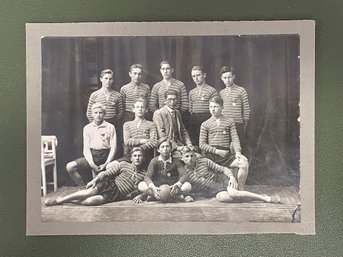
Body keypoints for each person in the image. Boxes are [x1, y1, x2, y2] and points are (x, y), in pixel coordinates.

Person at [45, 147, 147, 206]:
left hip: (117, 195)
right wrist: (95, 180)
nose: (137, 158)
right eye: (135, 156)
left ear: (143, 158)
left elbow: (147, 188)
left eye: (140, 156)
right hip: (109, 184)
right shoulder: (124, 164)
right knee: (88, 193)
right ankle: (57, 201)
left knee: (90, 201)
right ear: (131, 158)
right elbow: (106, 173)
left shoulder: (144, 174)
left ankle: (66, 199)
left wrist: (141, 195)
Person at [199, 96, 248, 190]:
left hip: (225, 155)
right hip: (211, 156)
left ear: (222, 107)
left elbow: (234, 138)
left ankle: (241, 190)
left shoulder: (230, 121)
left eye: (216, 106)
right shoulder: (205, 124)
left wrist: (238, 152)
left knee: (243, 163)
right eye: (211, 107)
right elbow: (202, 144)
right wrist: (216, 151)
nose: (212, 109)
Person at [66, 103, 117, 187]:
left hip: (106, 157)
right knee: (70, 166)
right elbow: (86, 149)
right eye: (96, 112)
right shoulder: (87, 128)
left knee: (102, 183)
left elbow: (113, 147)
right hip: (92, 156)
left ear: (104, 114)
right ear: (92, 114)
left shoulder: (110, 127)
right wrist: (92, 164)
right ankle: (83, 188)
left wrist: (107, 162)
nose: (98, 115)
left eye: (100, 113)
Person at [219, 66, 250, 154]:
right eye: (225, 78)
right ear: (222, 79)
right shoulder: (221, 92)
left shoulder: (241, 90)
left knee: (237, 146)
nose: (227, 80)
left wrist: (245, 121)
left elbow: (246, 108)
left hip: (237, 123)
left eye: (229, 77)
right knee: (226, 146)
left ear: (233, 76)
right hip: (225, 123)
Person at [153, 89, 193, 157]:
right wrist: (177, 147)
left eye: (174, 99)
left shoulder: (177, 113)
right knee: (187, 157)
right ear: (165, 101)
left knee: (196, 156)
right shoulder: (158, 113)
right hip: (167, 147)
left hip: (179, 144)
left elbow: (183, 131)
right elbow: (162, 135)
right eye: (169, 99)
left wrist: (189, 143)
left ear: (177, 100)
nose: (172, 102)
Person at [123, 97, 158, 169]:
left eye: (142, 107)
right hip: (130, 155)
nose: (140, 109)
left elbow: (153, 141)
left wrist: (140, 148)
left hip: (146, 155)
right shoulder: (127, 124)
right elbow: (127, 141)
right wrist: (142, 141)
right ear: (133, 109)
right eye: (137, 107)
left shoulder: (151, 124)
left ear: (146, 110)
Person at [188, 65, 218, 146]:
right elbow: (190, 108)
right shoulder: (191, 92)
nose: (196, 78)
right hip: (194, 119)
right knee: (195, 141)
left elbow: (215, 107)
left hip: (207, 117)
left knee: (207, 141)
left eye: (198, 75)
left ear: (204, 75)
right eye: (193, 76)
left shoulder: (212, 90)